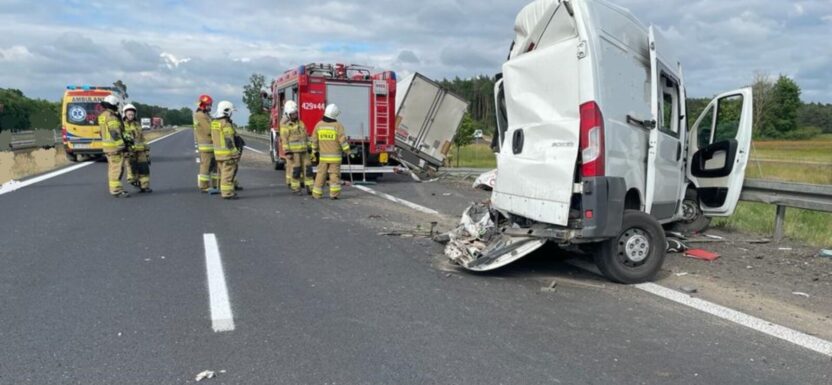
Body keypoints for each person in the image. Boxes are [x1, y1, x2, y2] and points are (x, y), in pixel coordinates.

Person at [311, 104, 350, 199]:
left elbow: (314, 140)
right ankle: (334, 194)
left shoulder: (319, 125)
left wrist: (314, 151)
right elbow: (342, 141)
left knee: (320, 174)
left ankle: (316, 194)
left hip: (323, 157)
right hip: (335, 157)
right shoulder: (338, 126)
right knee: (334, 175)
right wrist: (348, 151)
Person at [279, 100, 313, 194]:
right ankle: (296, 187)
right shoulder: (286, 126)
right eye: (292, 114)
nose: (295, 115)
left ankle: (310, 187)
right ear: (288, 115)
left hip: (304, 151)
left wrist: (309, 147)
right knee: (296, 170)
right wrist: (288, 152)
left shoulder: (301, 123)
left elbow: (306, 136)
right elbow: (284, 140)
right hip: (294, 153)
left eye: (295, 113)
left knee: (308, 169)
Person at [98, 94, 129, 198]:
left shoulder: (102, 115)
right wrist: (122, 145)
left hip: (107, 147)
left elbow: (102, 132)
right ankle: (116, 190)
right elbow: (114, 132)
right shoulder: (111, 117)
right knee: (116, 169)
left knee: (112, 168)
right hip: (115, 148)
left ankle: (115, 189)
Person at [211, 101, 240, 200]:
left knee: (222, 173)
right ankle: (227, 193)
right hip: (227, 154)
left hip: (218, 154)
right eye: (231, 111)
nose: (231, 114)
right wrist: (235, 152)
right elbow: (229, 140)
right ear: (226, 111)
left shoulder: (214, 123)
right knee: (227, 174)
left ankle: (224, 190)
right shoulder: (226, 124)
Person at [122, 104, 151, 193]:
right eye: (129, 114)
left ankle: (144, 186)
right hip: (130, 151)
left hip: (141, 151)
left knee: (144, 169)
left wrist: (147, 151)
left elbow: (142, 138)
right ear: (125, 114)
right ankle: (134, 182)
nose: (131, 116)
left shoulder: (137, 125)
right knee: (132, 169)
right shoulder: (122, 125)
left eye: (132, 114)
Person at [193, 94, 218, 193]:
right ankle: (204, 186)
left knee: (214, 166)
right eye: (209, 105)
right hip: (206, 145)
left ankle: (216, 184)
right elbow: (209, 129)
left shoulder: (205, 114)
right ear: (203, 104)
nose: (210, 107)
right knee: (206, 166)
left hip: (211, 145)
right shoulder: (200, 115)